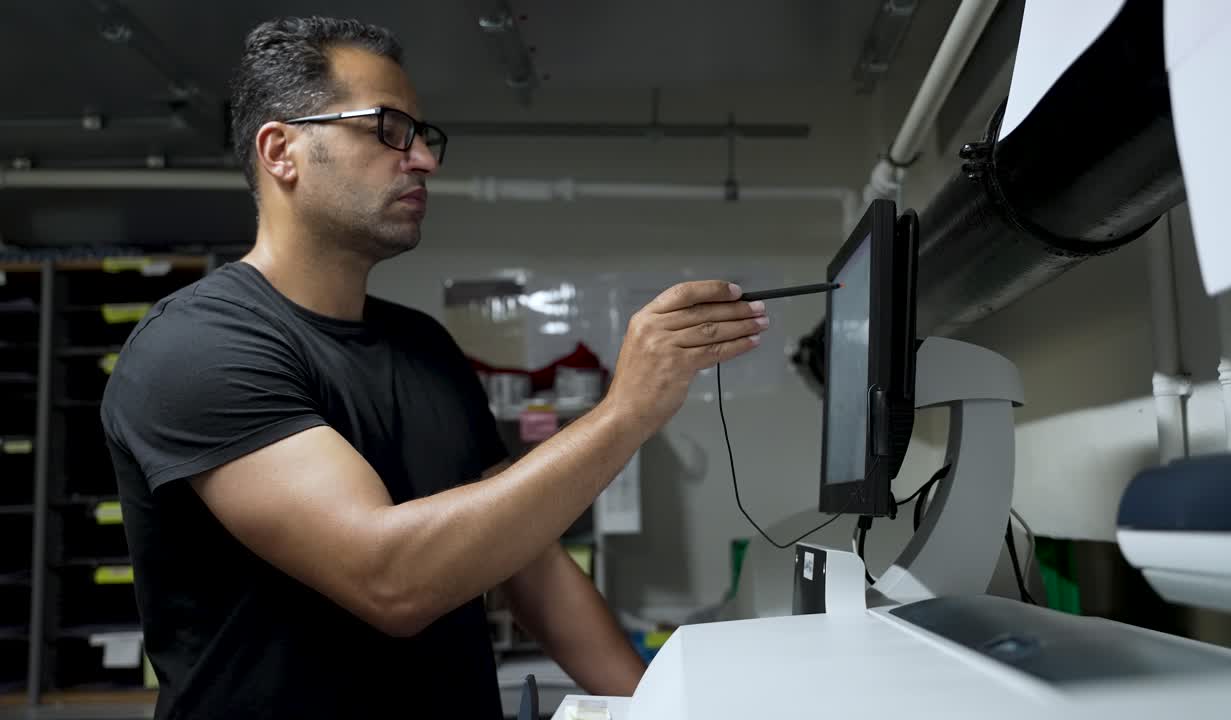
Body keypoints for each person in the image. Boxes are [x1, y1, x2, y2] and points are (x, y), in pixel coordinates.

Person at [100, 16, 769, 719]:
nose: (423, 159)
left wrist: (656, 707)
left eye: (422, 135)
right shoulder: (197, 347)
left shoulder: (424, 346)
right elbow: (388, 579)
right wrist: (625, 412)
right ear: (282, 150)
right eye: (388, 129)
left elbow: (530, 564)